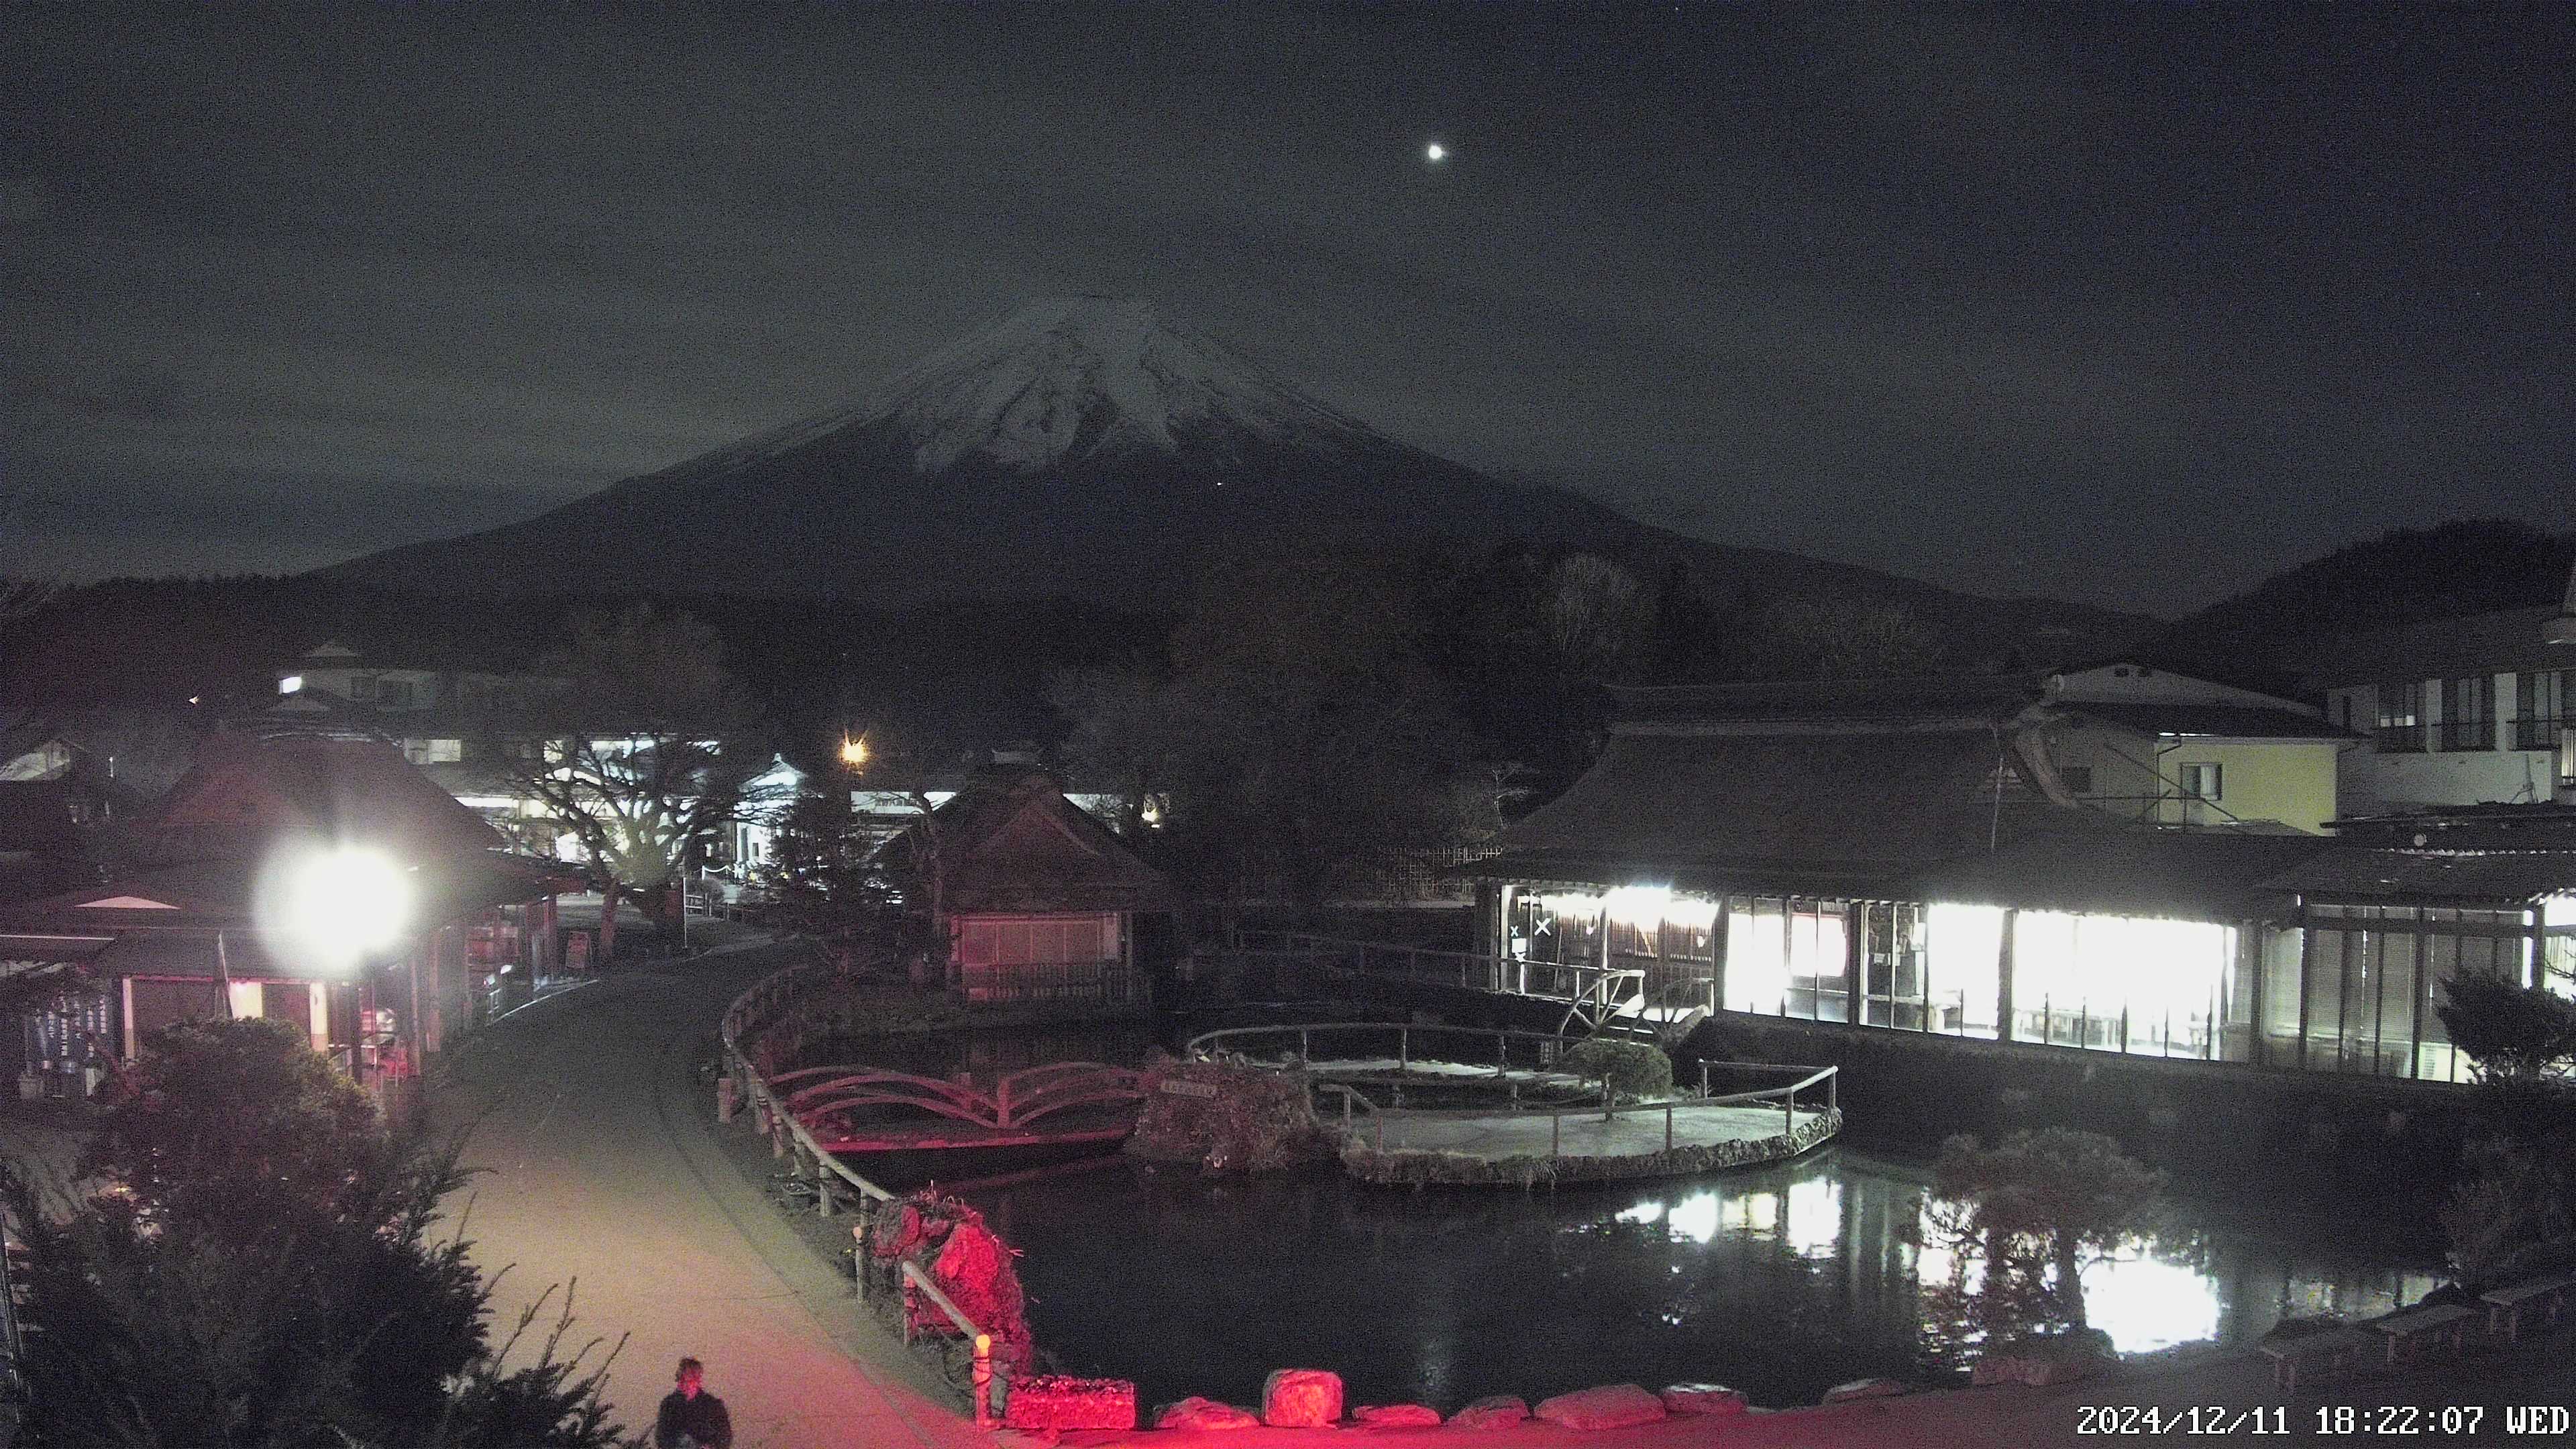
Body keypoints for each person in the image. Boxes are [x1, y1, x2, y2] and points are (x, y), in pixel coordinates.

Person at [655, 1356, 734, 1449]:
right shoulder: (668, 1405)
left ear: (698, 1380)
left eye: (690, 1380)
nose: (686, 1385)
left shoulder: (713, 1406)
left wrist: (710, 1446)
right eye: (683, 1380)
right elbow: (661, 1437)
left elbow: (725, 1436)